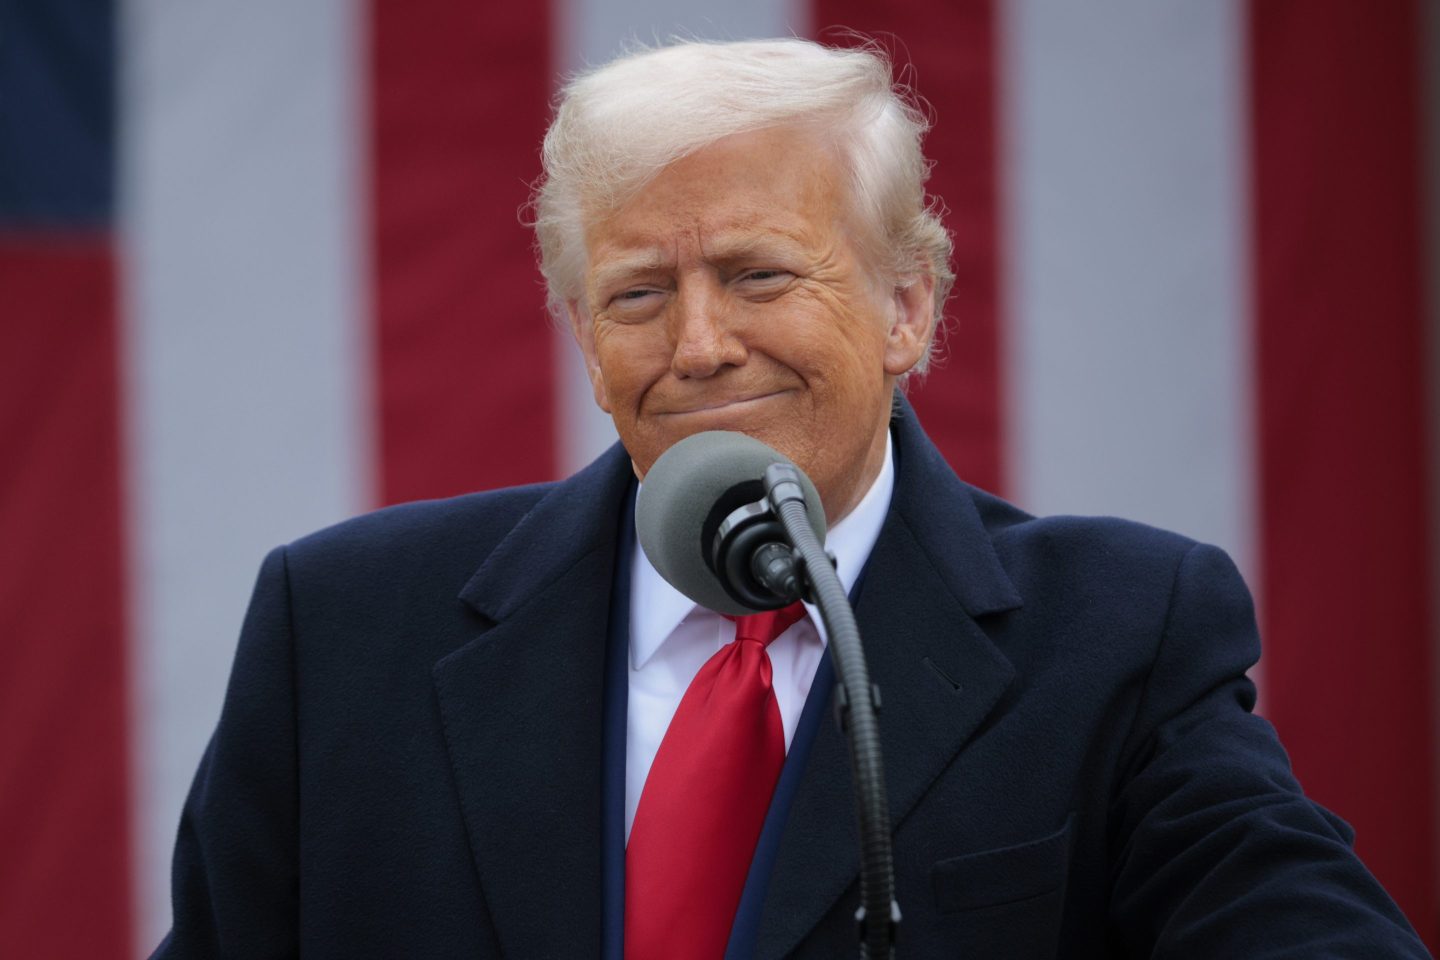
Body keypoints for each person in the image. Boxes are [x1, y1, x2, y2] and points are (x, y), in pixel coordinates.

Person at [153, 38, 1430, 959]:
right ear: (586, 340)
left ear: (906, 308)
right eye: (639, 295)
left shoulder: (1119, 636)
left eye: (759, 276)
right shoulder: (344, 628)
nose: (700, 346)